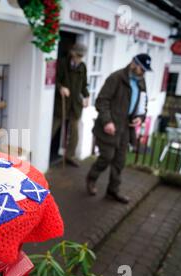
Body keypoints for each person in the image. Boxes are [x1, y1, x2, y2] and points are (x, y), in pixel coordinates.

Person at [86, 53, 151, 203]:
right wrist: (107, 121)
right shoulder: (116, 78)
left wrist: (140, 118)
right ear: (134, 63)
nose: (143, 72)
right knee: (106, 157)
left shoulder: (142, 82)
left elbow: (143, 104)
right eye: (142, 68)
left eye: (145, 70)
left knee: (119, 161)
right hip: (109, 127)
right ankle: (91, 178)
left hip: (126, 129)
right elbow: (102, 101)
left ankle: (112, 191)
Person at [52, 43, 90, 167]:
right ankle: (42, 153)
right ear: (72, 52)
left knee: (74, 132)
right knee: (53, 128)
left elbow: (84, 85)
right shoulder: (62, 63)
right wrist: (61, 87)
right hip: (62, 103)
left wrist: (87, 96)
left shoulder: (83, 67)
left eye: (81, 56)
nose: (79, 58)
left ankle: (69, 156)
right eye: (77, 55)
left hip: (75, 105)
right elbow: (55, 79)